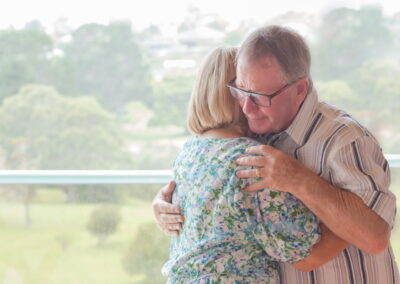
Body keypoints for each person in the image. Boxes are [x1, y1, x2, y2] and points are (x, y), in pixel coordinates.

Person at [153, 26, 399, 283]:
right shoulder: (252, 142)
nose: (247, 107)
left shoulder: (344, 139)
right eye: (240, 92)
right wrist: (166, 202)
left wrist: (297, 179)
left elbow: (373, 238)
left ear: (300, 89)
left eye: (259, 97)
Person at [161, 47, 347, 283]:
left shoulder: (189, 153)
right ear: (238, 93)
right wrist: (358, 221)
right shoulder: (252, 162)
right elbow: (306, 255)